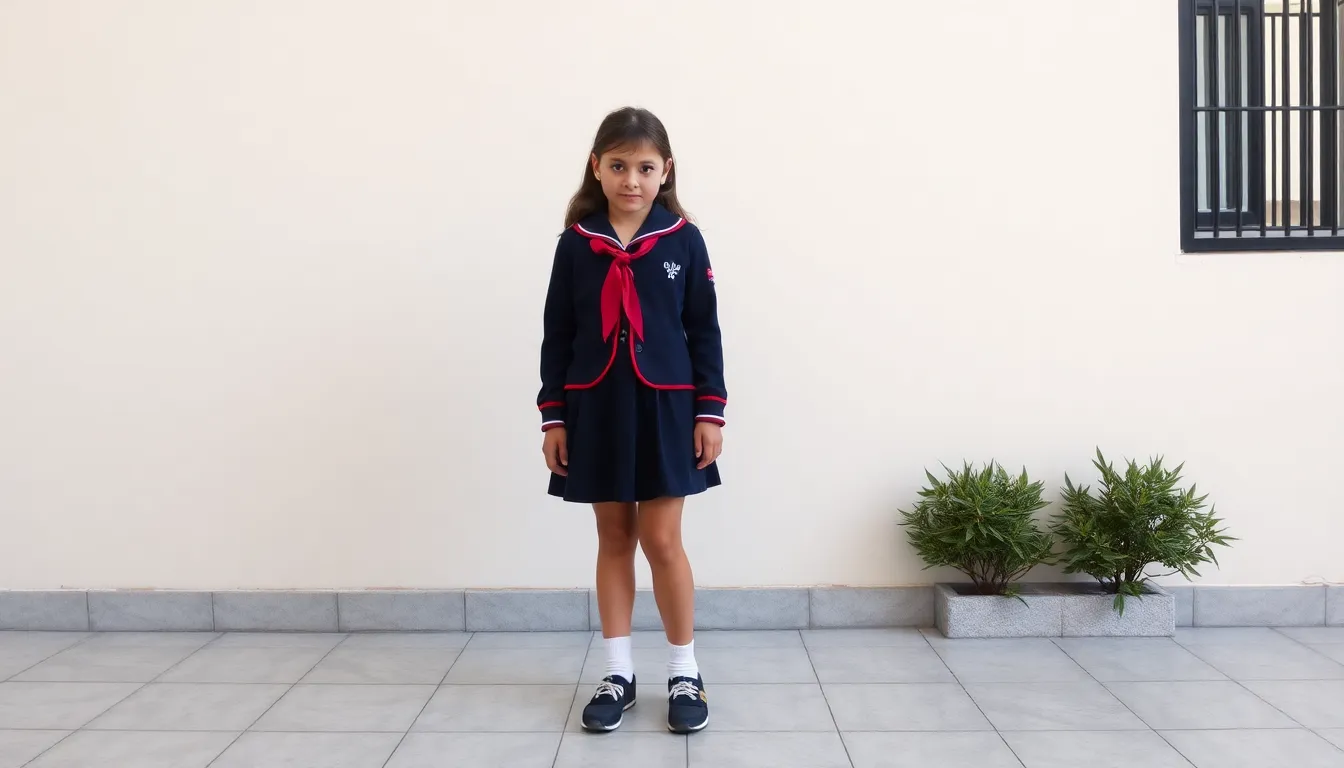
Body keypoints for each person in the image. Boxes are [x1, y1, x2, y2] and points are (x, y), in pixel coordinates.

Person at [537, 106, 726, 734]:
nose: (632, 179)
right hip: (596, 407)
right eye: (618, 165)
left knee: (663, 540)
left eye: (645, 167)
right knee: (613, 538)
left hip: (668, 406)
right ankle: (617, 671)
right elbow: (557, 335)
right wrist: (554, 417)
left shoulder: (683, 239)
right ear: (597, 166)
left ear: (665, 170)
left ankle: (684, 670)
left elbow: (704, 331)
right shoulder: (577, 244)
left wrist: (710, 411)